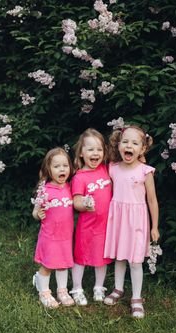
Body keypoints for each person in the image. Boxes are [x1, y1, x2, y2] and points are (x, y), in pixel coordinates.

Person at [104, 124, 159, 318]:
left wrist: (155, 226)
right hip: (118, 218)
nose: (129, 146)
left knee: (135, 261)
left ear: (142, 149)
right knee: (119, 257)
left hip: (136, 221)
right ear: (119, 145)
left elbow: (152, 200)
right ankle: (118, 288)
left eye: (135, 143)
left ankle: (136, 297)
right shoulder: (113, 168)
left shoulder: (145, 172)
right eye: (125, 141)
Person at [70, 128, 112, 305]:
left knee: (101, 258)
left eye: (99, 149)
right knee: (80, 258)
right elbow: (76, 201)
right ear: (81, 152)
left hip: (105, 226)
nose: (95, 153)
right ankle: (77, 288)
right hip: (86, 226)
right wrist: (84, 204)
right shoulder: (80, 177)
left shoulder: (106, 169)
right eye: (90, 149)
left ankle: (98, 287)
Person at [32, 147, 75, 308]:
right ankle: (43, 291)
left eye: (65, 165)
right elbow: (35, 212)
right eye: (56, 166)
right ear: (48, 170)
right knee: (47, 265)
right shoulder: (44, 190)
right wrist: (39, 214)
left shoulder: (70, 188)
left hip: (65, 236)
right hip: (49, 236)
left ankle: (62, 290)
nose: (62, 169)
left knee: (63, 264)